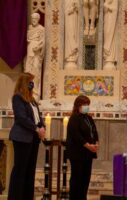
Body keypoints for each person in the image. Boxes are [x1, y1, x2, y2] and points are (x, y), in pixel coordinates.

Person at [8, 72, 46, 200]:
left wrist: (42, 127)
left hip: (33, 139)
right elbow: (21, 118)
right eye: (30, 82)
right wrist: (36, 128)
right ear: (24, 83)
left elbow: (37, 117)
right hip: (22, 138)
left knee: (30, 170)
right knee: (20, 169)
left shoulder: (32, 100)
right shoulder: (17, 97)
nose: (32, 84)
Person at [66, 95, 99, 200]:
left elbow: (94, 131)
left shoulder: (89, 118)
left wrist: (96, 143)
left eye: (88, 105)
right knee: (77, 178)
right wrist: (88, 145)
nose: (87, 107)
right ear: (78, 105)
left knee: (86, 178)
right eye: (85, 105)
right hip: (77, 153)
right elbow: (76, 135)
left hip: (88, 153)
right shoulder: (74, 118)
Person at [24, 13, 45, 100]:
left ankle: (35, 94)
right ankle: (27, 92)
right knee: (28, 71)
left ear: (38, 19)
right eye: (32, 19)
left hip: (37, 53)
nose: (33, 20)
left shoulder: (41, 29)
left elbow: (43, 42)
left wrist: (39, 47)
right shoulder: (29, 28)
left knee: (36, 72)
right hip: (29, 52)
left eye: (35, 19)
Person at [103, 0, 119, 70]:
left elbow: (115, 10)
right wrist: (106, 5)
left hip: (112, 21)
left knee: (111, 35)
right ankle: (107, 57)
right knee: (106, 34)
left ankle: (110, 59)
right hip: (107, 18)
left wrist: (107, 5)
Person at [65, 0, 79, 70]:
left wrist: (76, 7)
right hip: (69, 19)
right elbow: (66, 11)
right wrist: (72, 8)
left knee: (74, 34)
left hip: (75, 19)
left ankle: (74, 55)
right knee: (70, 34)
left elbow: (80, 9)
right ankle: (70, 55)